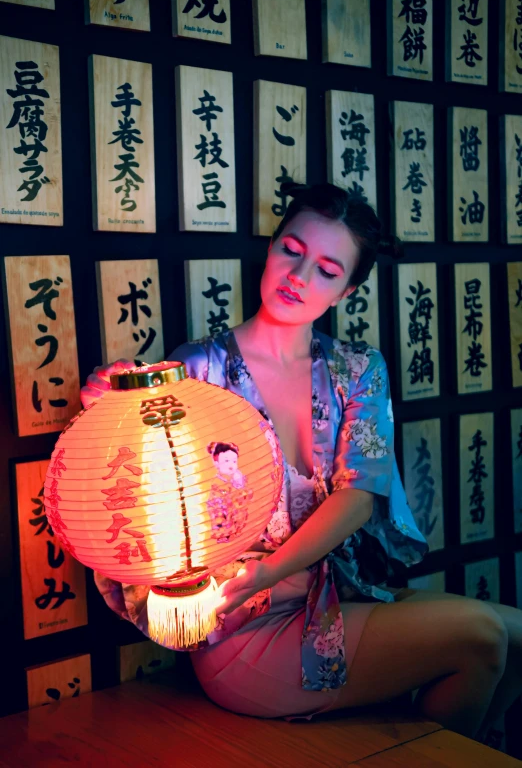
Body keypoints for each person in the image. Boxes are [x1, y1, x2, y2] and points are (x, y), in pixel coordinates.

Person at [82, 182, 521, 741]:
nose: (300, 277)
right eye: (292, 250)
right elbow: (147, 447)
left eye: (327, 269)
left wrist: (273, 566)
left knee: (517, 638)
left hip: (339, 593)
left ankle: (432, 748)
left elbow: (359, 496)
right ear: (271, 247)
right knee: (482, 634)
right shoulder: (201, 367)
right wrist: (113, 398)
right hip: (246, 624)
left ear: (347, 290)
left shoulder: (357, 369)